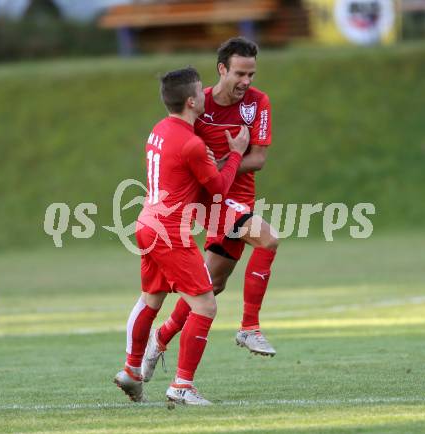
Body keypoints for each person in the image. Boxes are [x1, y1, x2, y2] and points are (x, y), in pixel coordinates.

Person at [142, 37, 279, 382]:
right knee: (268, 239)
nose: (246, 82)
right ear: (222, 69)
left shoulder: (259, 103)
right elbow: (180, 147)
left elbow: (259, 159)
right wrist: (219, 167)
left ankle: (159, 340)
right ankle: (249, 327)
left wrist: (226, 163)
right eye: (240, 73)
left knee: (209, 286)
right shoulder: (197, 104)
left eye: (251, 74)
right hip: (212, 201)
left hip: (239, 200)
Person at [114, 66, 249, 406]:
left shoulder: (157, 130)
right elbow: (217, 188)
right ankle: (182, 385)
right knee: (205, 304)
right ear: (191, 101)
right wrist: (235, 153)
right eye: (200, 92)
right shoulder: (192, 144)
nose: (205, 96)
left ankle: (132, 371)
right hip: (171, 231)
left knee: (151, 300)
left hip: (147, 224)